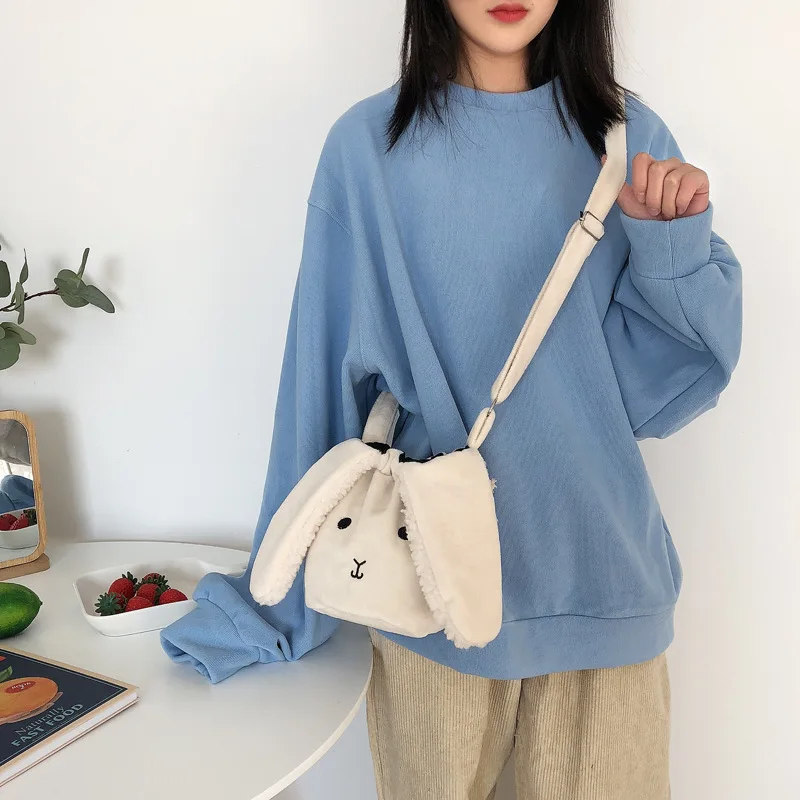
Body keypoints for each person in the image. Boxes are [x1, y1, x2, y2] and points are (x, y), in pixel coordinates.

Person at [161, 1, 743, 797]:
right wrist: (276, 600)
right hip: (425, 595)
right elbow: (318, 378)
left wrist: (668, 247)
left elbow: (656, 397)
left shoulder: (629, 142)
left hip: (602, 590)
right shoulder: (366, 150)